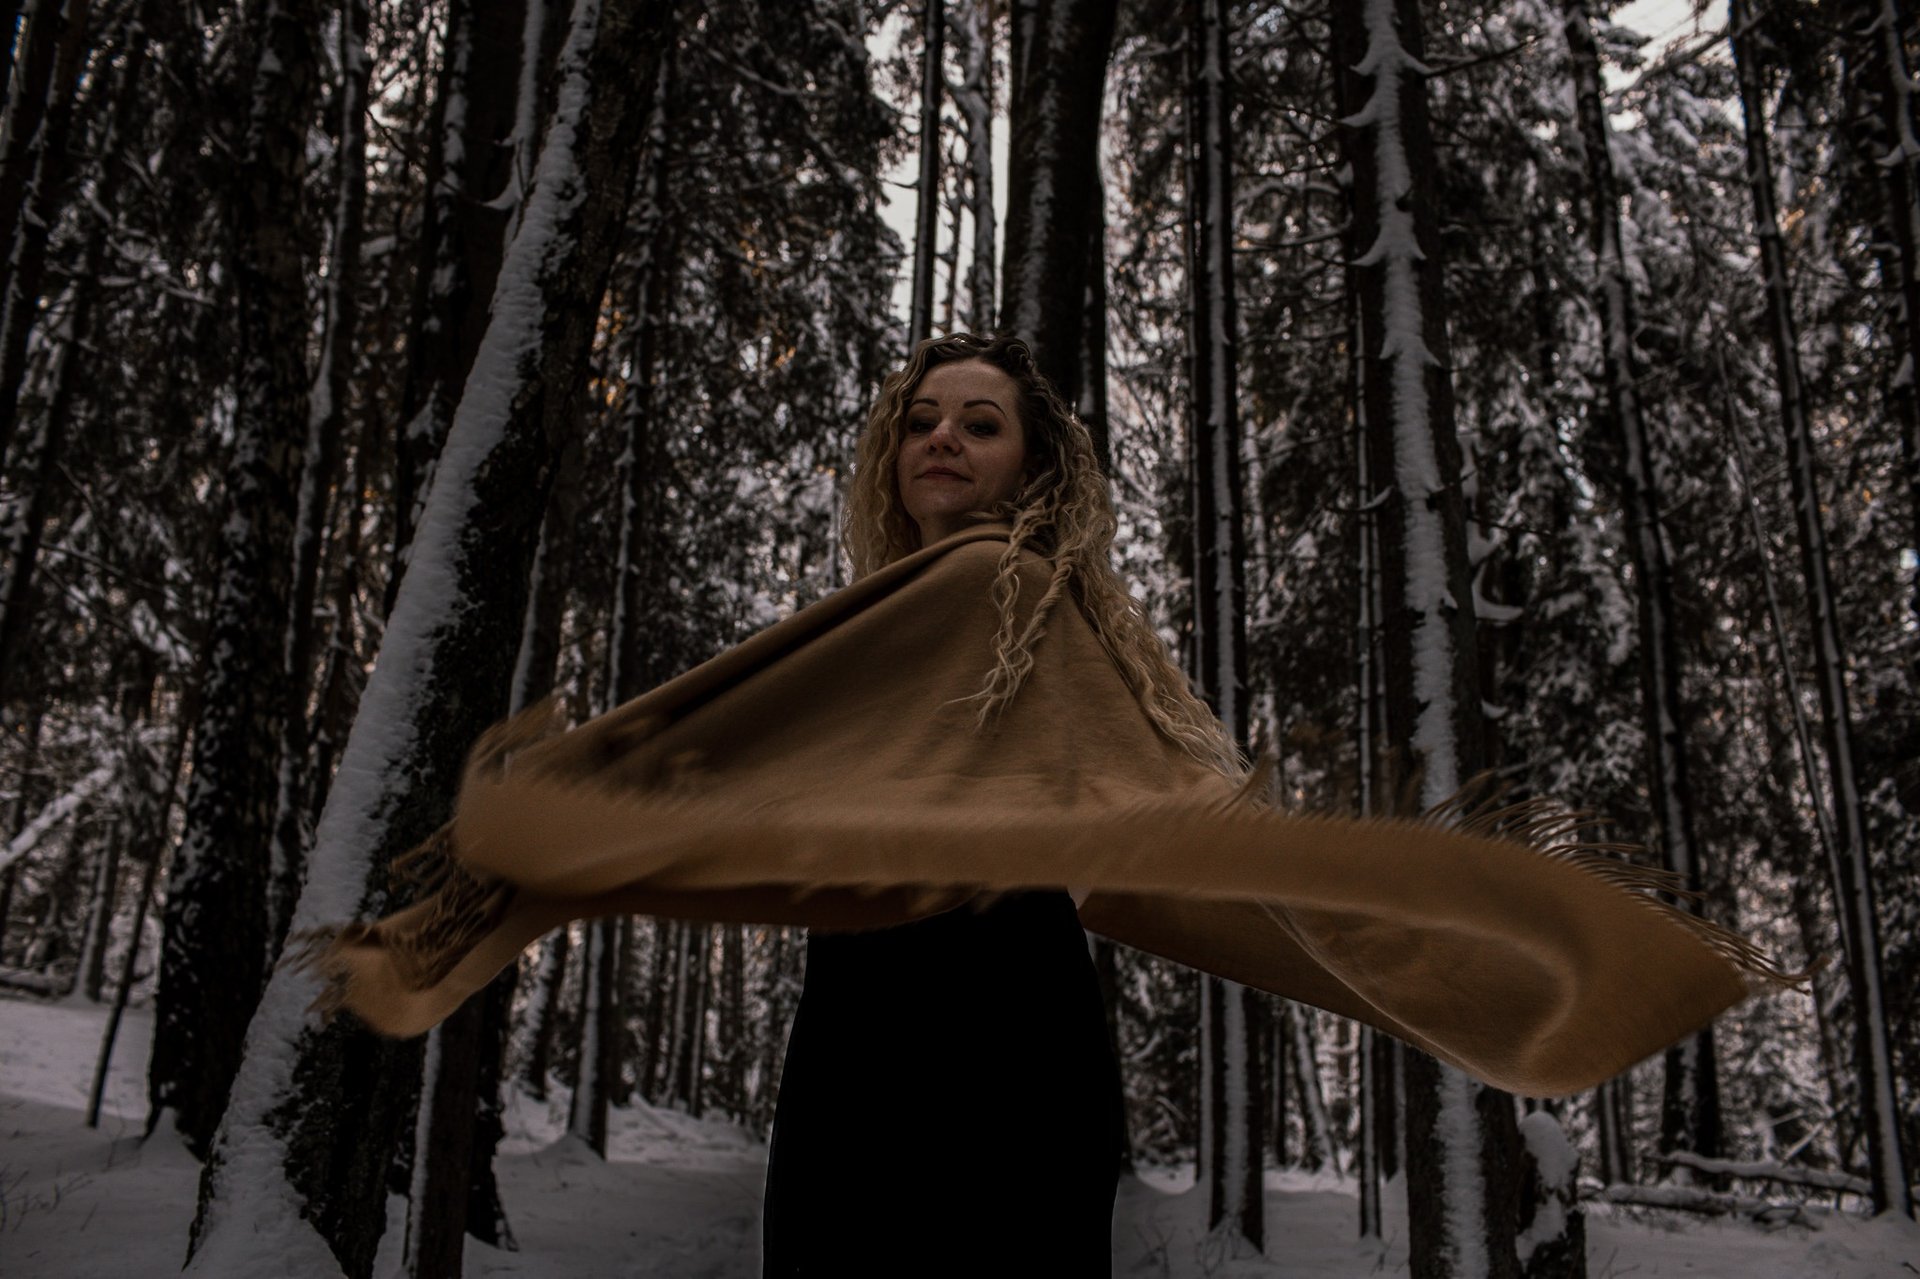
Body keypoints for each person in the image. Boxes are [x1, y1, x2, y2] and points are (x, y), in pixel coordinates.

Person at [760, 333, 1245, 1278]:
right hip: (856, 1022)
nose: (943, 437)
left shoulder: (1014, 587)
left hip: (994, 1032)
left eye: (981, 425)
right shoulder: (882, 613)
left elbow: (1139, 795)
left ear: (1031, 467)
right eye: (922, 421)